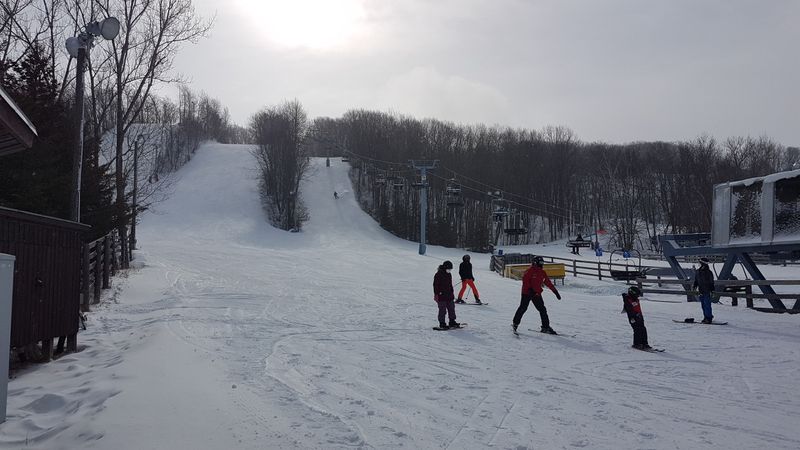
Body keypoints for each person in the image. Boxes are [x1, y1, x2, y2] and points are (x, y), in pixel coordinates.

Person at [512, 256, 561, 334]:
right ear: (535, 263)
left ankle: (545, 327)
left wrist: (555, 292)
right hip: (527, 293)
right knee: (523, 308)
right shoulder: (529, 271)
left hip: (536, 294)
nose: (541, 264)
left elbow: (548, 282)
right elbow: (525, 281)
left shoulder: (542, 272)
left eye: (542, 263)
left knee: (542, 310)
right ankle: (515, 324)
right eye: (540, 263)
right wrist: (530, 290)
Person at [622, 286, 651, 350]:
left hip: (639, 317)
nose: (638, 296)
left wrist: (640, 316)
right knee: (637, 330)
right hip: (633, 318)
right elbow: (629, 310)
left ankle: (644, 343)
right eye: (637, 295)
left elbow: (638, 308)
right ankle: (637, 344)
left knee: (643, 329)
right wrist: (633, 317)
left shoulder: (635, 299)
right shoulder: (628, 300)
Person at [433, 260, 460, 329]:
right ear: (445, 267)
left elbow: (450, 284)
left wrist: (452, 293)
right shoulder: (438, 274)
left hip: (449, 295)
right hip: (441, 295)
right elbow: (435, 285)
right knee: (442, 310)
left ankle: (452, 321)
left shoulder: (449, 274)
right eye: (449, 269)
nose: (449, 270)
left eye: (450, 269)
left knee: (451, 308)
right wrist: (436, 294)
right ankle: (442, 323)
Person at [693, 257, 715, 323]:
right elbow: (696, 280)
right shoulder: (697, 272)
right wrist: (695, 285)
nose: (699, 264)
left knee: (707, 304)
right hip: (701, 290)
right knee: (703, 305)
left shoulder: (708, 272)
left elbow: (711, 282)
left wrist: (712, 290)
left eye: (700, 263)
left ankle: (709, 317)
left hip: (707, 290)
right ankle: (705, 317)